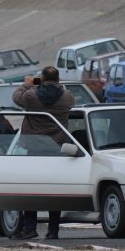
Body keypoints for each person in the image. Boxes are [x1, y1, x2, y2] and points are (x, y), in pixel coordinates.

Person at [11, 66, 76, 241]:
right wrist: (58, 86)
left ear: (42, 78)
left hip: (34, 148)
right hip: (57, 148)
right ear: (58, 79)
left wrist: (26, 84)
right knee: (55, 191)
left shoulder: (31, 96)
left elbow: (16, 98)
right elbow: (71, 100)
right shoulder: (67, 97)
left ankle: (30, 228)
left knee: (32, 189)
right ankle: (53, 230)